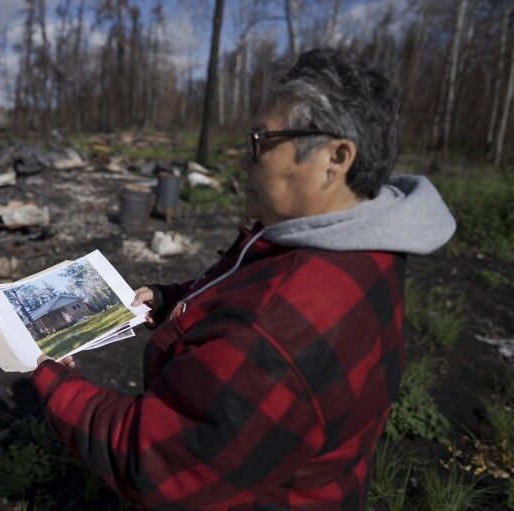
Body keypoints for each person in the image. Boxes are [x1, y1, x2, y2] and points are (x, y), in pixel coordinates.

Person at [31, 48, 456, 510]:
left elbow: (153, 460)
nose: (243, 163)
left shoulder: (281, 330)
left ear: (335, 159)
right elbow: (245, 284)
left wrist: (51, 379)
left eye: (261, 143)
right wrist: (172, 298)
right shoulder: (359, 238)